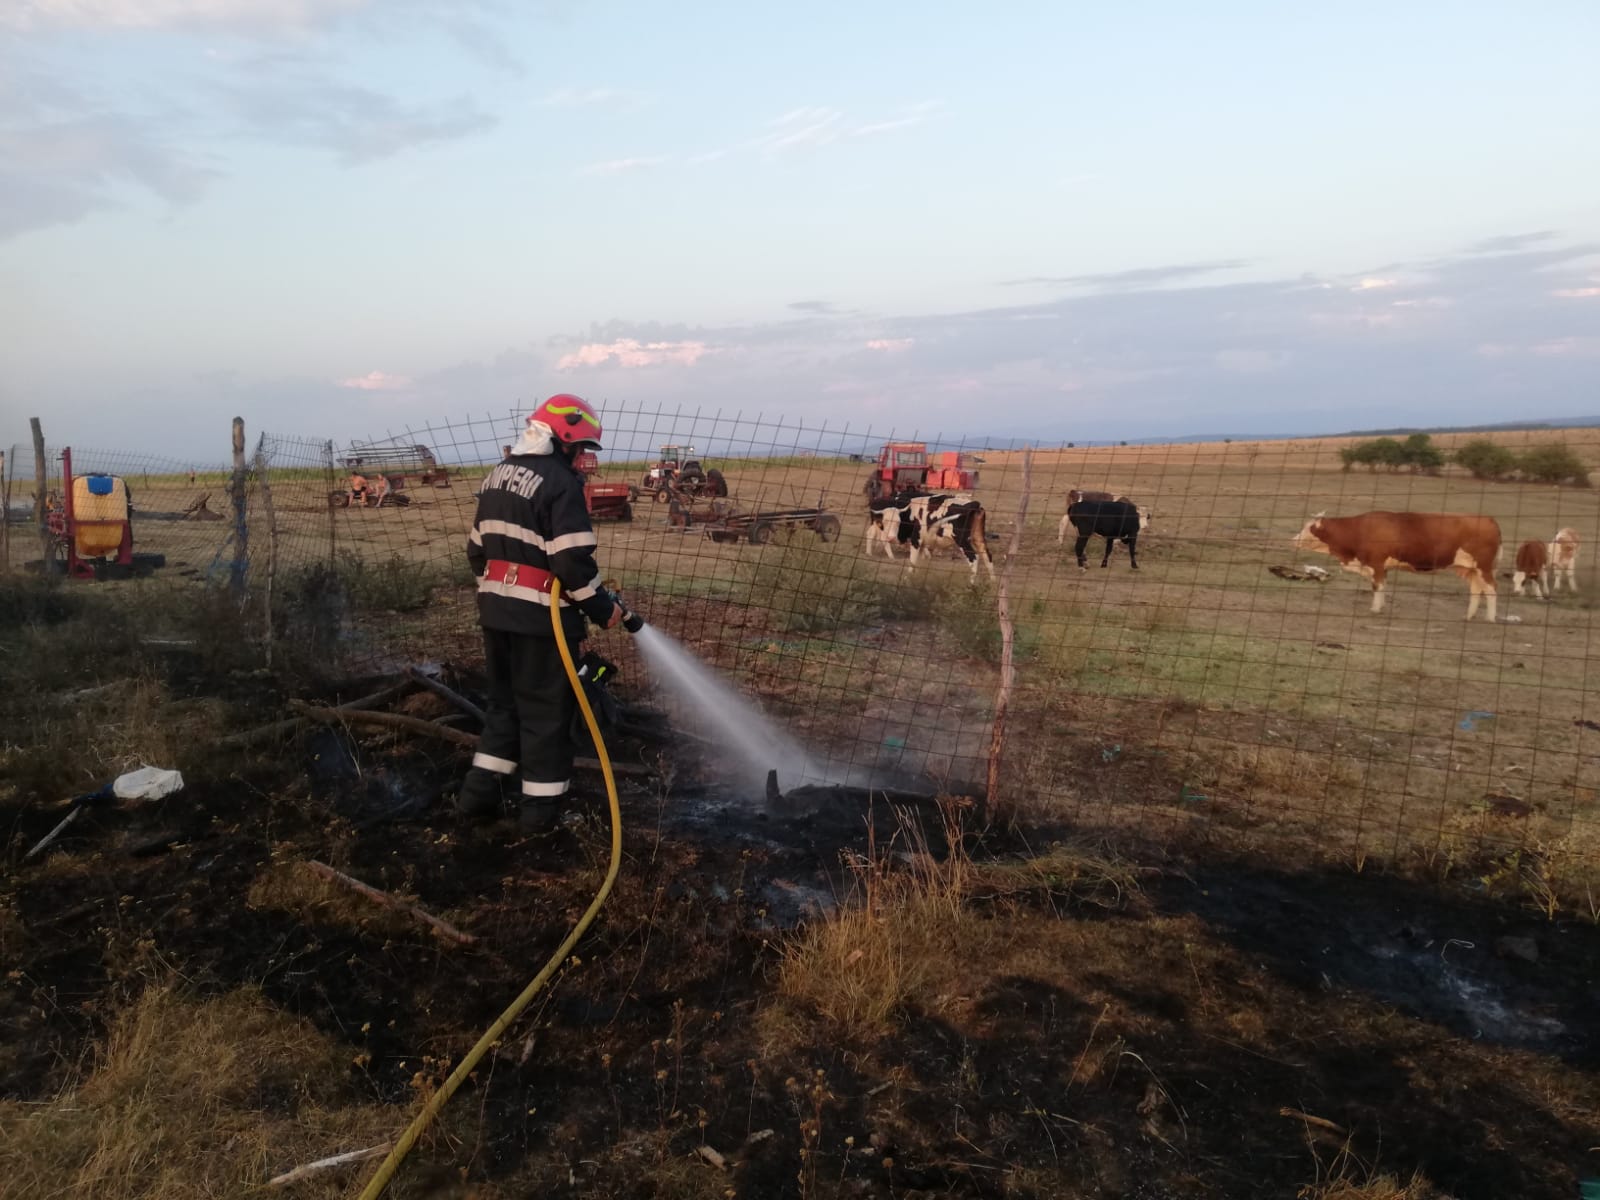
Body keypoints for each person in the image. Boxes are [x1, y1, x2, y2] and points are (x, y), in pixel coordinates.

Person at [458, 394, 623, 830]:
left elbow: (476, 551)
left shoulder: (497, 475)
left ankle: (476, 799)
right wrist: (602, 608)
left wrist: (501, 593)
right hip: (541, 624)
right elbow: (570, 562)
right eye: (582, 447)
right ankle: (539, 818)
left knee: (504, 707)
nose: (584, 457)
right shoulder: (559, 483)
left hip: (496, 616)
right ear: (563, 439)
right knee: (548, 716)